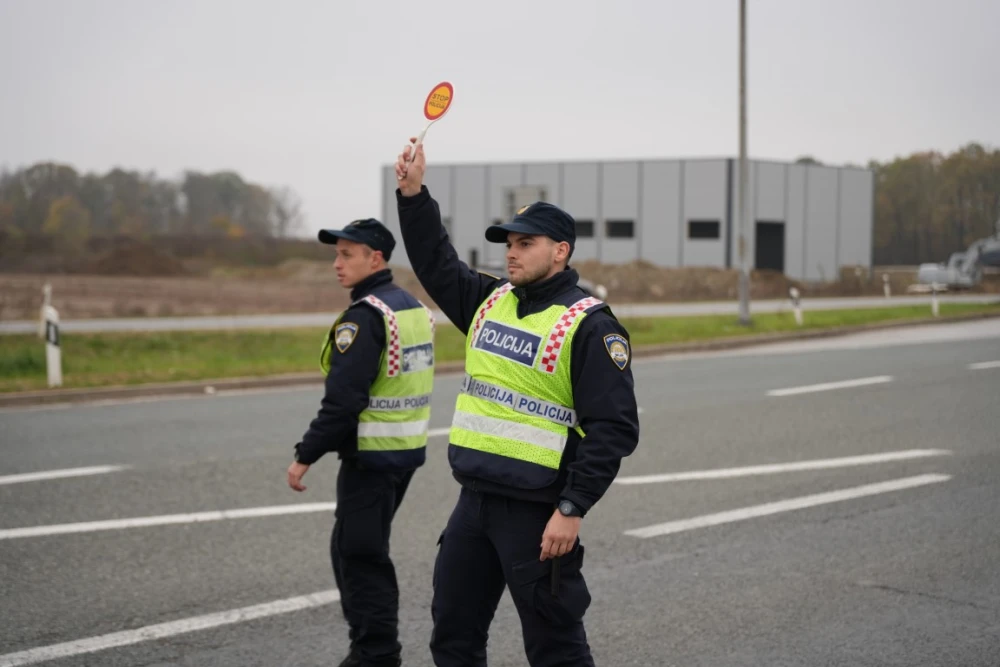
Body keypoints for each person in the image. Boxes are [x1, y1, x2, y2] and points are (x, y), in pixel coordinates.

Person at [394, 140, 640, 667]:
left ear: (560, 251)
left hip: (538, 513)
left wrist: (572, 508)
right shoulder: (489, 302)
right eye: (508, 242)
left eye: (525, 243)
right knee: (453, 639)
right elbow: (436, 263)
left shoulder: (589, 324)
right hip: (474, 504)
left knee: (555, 650)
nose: (511, 251)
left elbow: (614, 428)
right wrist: (413, 195)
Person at [287, 218, 436, 667]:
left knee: (361, 557)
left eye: (346, 254)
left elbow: (343, 402)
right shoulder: (411, 307)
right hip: (402, 453)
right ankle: (372, 649)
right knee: (353, 548)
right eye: (336, 253)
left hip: (372, 458)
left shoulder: (367, 317)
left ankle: (375, 654)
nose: (337, 263)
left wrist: (304, 455)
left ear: (376, 259)